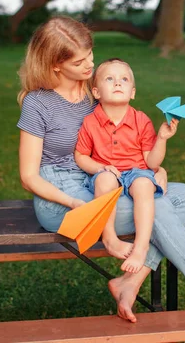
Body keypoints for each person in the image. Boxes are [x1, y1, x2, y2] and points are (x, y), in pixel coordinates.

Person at [17, 16, 185, 323]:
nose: (89, 66)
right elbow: (28, 177)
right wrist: (79, 205)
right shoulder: (38, 103)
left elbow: (123, 143)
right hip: (60, 198)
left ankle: (132, 279)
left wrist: (152, 171)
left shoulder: (95, 91)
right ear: (56, 65)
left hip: (101, 181)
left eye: (90, 56)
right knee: (158, 207)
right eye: (79, 62)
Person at [74, 58, 179, 274]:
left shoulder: (141, 120)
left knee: (143, 184)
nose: (117, 83)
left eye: (124, 79)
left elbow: (152, 163)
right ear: (96, 92)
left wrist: (161, 138)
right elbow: (81, 156)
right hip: (107, 171)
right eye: (109, 79)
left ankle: (141, 247)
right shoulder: (90, 122)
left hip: (137, 171)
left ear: (132, 92)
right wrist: (99, 168)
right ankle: (109, 237)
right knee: (104, 179)